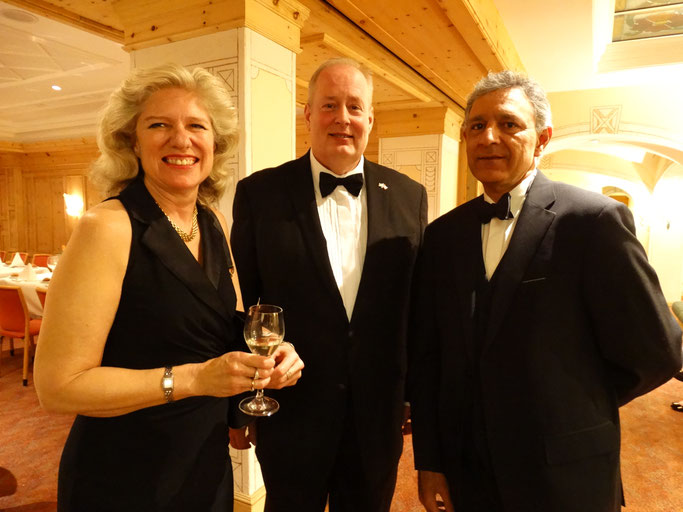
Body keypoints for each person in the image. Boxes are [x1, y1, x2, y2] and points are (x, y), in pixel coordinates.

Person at [33, 63, 304, 512]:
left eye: (196, 125)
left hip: (203, 463)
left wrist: (273, 357)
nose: (181, 140)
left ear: (215, 142)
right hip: (124, 474)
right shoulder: (108, 226)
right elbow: (58, 387)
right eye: (159, 124)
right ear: (132, 140)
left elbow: (227, 329)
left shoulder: (212, 221)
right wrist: (196, 378)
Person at [408, 70, 682, 512]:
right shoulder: (442, 236)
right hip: (469, 469)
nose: (488, 137)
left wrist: (575, 400)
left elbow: (659, 349)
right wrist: (431, 461)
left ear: (542, 138)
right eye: (476, 126)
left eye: (509, 123)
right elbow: (430, 357)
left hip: (566, 473)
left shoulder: (594, 222)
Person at [230, 57, 427, 511]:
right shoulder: (259, 194)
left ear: (370, 119)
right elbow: (241, 305)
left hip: (377, 414)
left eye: (355, 107)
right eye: (330, 105)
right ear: (308, 114)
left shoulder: (409, 196)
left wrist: (414, 396)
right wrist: (241, 402)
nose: (343, 118)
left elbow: (415, 309)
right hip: (291, 409)